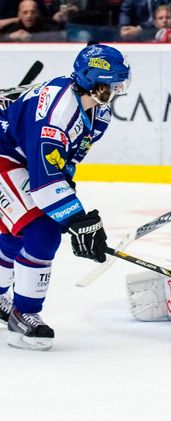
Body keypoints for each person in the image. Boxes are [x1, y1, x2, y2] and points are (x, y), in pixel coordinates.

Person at [0, 43, 130, 351]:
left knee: (20, 230)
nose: (119, 89)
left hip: (23, 157)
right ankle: (24, 313)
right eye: (113, 83)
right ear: (93, 82)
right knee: (41, 232)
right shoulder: (59, 113)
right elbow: (45, 183)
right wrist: (77, 219)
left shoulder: (99, 114)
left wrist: (68, 210)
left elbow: (62, 166)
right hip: (5, 155)